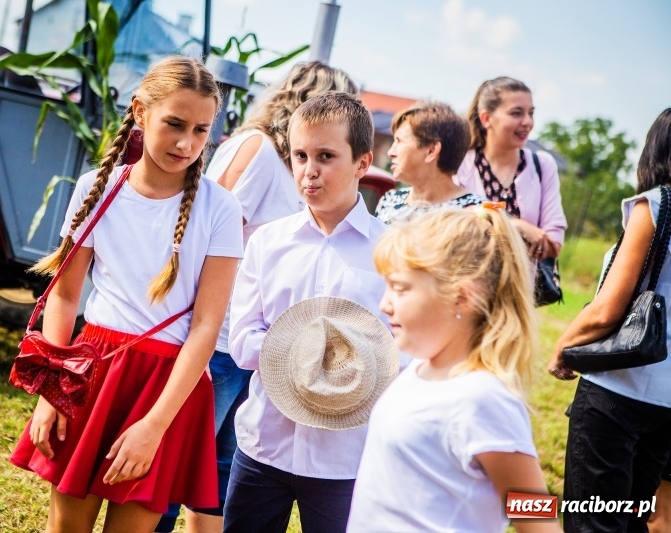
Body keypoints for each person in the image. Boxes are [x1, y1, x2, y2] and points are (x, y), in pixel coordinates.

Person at [8, 56, 244, 533]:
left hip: (168, 384)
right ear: (139, 112)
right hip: (91, 373)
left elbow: (206, 326)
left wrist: (155, 426)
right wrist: (52, 393)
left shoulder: (220, 208)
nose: (187, 143)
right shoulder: (96, 191)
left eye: (201, 130)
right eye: (174, 124)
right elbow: (65, 296)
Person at [156, 61, 358, 533]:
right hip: (218, 336)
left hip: (251, 345)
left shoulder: (287, 163)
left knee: (221, 470)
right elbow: (203, 230)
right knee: (178, 463)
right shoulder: (260, 150)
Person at [224, 91, 403, 533]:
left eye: (326, 155)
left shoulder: (392, 254)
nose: (309, 170)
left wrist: (335, 360)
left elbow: (403, 352)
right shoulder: (267, 243)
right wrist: (321, 350)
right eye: (300, 155)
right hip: (264, 446)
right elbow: (243, 341)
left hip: (346, 460)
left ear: (363, 163)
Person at [348, 206, 560, 533]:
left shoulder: (482, 399)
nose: (384, 304)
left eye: (401, 288)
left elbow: (535, 518)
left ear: (460, 297)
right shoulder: (418, 371)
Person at [548, 108, 671, 533]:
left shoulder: (654, 205)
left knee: (593, 522)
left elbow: (607, 308)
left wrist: (564, 346)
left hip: (619, 389)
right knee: (633, 519)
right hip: (667, 402)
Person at [455, 77, 566, 263]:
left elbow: (554, 243)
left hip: (522, 290)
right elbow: (450, 224)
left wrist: (482, 220)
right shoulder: (460, 163)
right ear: (486, 118)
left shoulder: (543, 165)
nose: (527, 122)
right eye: (516, 113)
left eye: (531, 113)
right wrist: (515, 226)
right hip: (465, 287)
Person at [375, 101, 483, 225]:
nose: (391, 152)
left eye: (399, 141)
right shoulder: (390, 200)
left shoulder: (474, 213)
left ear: (432, 150)